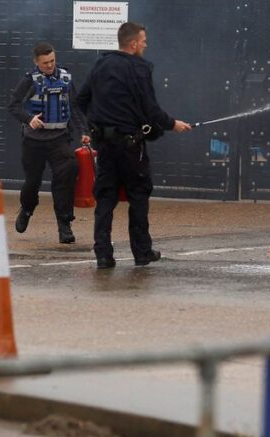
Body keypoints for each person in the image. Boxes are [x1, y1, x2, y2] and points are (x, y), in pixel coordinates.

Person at [76, 22, 193, 269]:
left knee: (105, 197)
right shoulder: (139, 69)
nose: (145, 45)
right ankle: (142, 252)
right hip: (131, 147)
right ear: (132, 43)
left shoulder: (100, 65)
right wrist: (173, 124)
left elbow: (81, 99)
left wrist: (96, 124)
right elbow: (150, 109)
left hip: (105, 145)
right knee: (139, 195)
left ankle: (103, 255)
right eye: (143, 40)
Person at [7, 42, 90, 243]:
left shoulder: (65, 78)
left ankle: (64, 225)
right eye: (45, 63)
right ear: (36, 62)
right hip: (33, 141)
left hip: (59, 138)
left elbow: (74, 107)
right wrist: (29, 119)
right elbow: (14, 106)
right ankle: (27, 209)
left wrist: (84, 131)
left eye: (52, 60)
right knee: (32, 182)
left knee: (67, 174)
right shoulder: (29, 80)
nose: (50, 65)